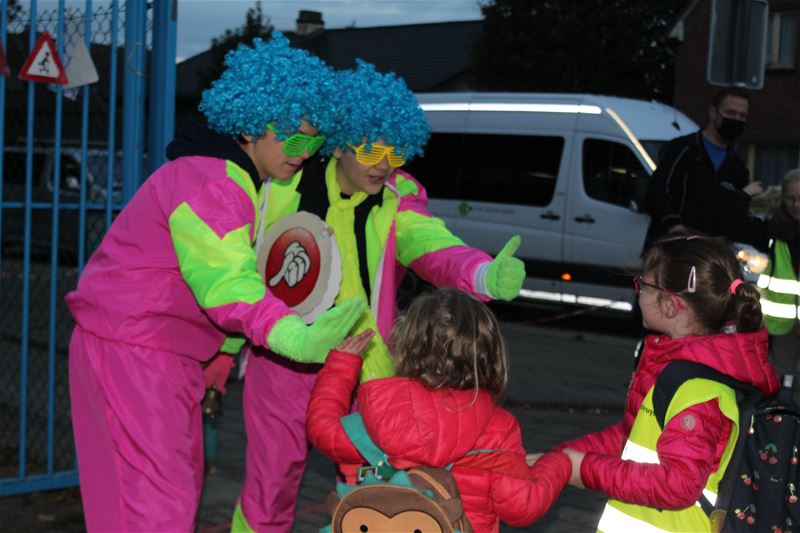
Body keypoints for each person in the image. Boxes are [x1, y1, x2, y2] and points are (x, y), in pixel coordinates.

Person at [64, 34, 366, 532]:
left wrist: (220, 355)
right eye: (294, 139)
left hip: (152, 351)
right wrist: (295, 336)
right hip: (135, 351)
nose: (304, 154)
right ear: (251, 122)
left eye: (314, 142)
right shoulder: (213, 183)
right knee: (155, 508)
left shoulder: (228, 177)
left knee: (159, 499)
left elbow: (210, 279)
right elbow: (228, 282)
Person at [232, 60, 526, 531]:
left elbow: (430, 244)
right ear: (340, 142)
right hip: (285, 363)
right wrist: (221, 351)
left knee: (374, 491)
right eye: (371, 150)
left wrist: (483, 273)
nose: (384, 164)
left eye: (396, 150)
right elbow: (241, 268)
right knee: (269, 487)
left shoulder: (398, 196)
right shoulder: (282, 188)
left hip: (366, 365)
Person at [544, 235, 779, 532]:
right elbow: (632, 438)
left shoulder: (698, 389)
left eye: (643, 284)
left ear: (669, 304)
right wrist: (562, 459)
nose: (638, 292)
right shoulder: (674, 367)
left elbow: (679, 485)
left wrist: (586, 469)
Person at [307, 288, 572, 532]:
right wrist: (561, 463)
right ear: (490, 357)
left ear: (404, 345)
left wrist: (341, 367)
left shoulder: (382, 413)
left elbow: (323, 430)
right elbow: (522, 508)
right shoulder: (498, 428)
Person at [645, 88, 764, 245]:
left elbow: (734, 217)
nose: (737, 119)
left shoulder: (737, 167)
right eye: (730, 113)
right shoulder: (682, 149)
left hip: (709, 254)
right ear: (713, 113)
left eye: (742, 116)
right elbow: (658, 191)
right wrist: (674, 225)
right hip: (671, 247)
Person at [758, 167, 800, 404]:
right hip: (780, 325)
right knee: (780, 384)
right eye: (791, 198)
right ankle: (779, 434)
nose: (796, 205)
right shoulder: (774, 232)